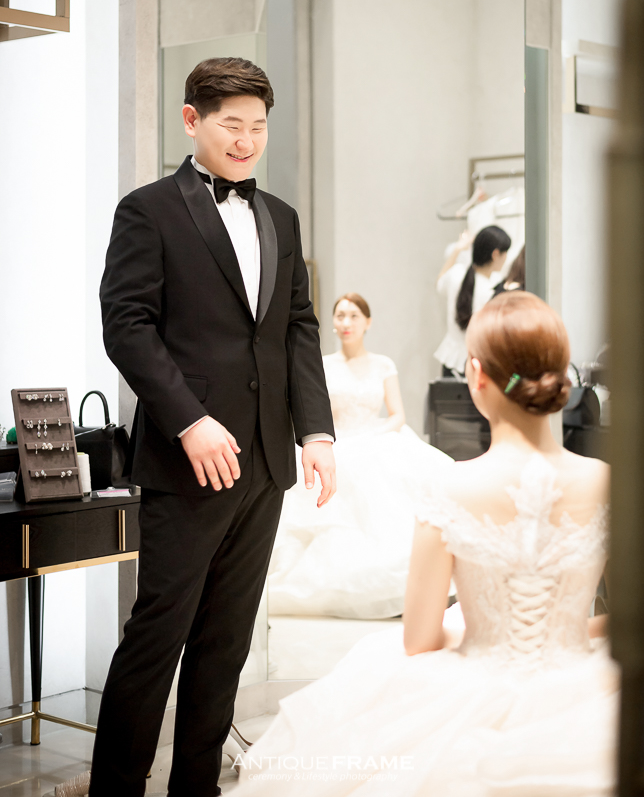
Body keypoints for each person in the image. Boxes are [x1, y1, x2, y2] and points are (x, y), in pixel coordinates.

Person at [62, 58, 336, 797]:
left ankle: (197, 788)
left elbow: (298, 327)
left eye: (258, 127)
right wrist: (189, 420)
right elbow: (126, 326)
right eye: (231, 126)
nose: (247, 142)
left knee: (226, 643)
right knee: (158, 636)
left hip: (266, 463)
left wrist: (315, 432)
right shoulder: (147, 210)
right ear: (192, 120)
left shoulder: (281, 216)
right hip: (188, 460)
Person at [232, 291, 617, 795]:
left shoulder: (449, 486)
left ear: (476, 375)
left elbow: (419, 639)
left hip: (479, 685)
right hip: (583, 692)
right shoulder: (607, 482)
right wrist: (563, 635)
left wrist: (493, 637)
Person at [268, 293, 454, 619]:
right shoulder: (323, 365)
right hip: (337, 442)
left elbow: (397, 415)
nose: (346, 322)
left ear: (368, 322)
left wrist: (373, 436)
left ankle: (405, 575)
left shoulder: (383, 365)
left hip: (375, 438)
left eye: (354, 316)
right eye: (340, 315)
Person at [434, 224, 511, 377]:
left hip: (450, 360)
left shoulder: (456, 274)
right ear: (495, 254)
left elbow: (440, 282)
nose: (506, 258)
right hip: (476, 365)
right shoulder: (491, 291)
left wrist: (457, 249)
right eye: (505, 253)